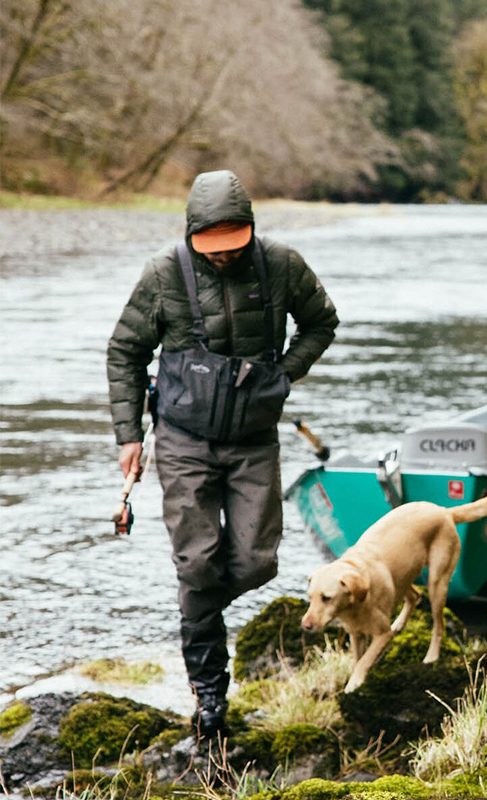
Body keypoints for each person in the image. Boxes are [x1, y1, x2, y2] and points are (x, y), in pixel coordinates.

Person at [106, 169, 339, 741]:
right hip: (182, 439)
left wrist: (283, 375)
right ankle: (210, 697)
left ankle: (197, 610)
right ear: (192, 235)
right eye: (212, 247)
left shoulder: (282, 264)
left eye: (233, 245)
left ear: (251, 231)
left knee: (257, 563)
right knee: (197, 562)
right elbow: (125, 352)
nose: (223, 256)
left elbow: (321, 323)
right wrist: (128, 435)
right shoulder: (163, 272)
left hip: (253, 438)